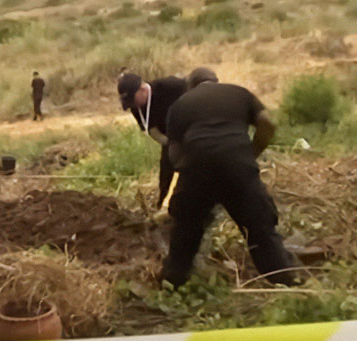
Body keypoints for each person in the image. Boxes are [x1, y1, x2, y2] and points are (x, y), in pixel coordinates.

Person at [161, 77, 297, 288]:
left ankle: (173, 284)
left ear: (191, 87)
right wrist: (249, 155)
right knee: (259, 227)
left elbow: (173, 150)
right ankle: (283, 281)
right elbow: (267, 123)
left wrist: (189, 176)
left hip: (197, 170)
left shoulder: (180, 104)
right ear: (216, 81)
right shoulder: (240, 93)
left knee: (185, 232)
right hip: (238, 167)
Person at [118, 72, 188, 207]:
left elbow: (196, 94)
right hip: (169, 137)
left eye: (133, 100)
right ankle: (162, 203)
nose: (133, 105)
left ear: (142, 89)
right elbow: (152, 130)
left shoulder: (170, 86)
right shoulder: (136, 107)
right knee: (166, 168)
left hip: (191, 129)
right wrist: (169, 143)